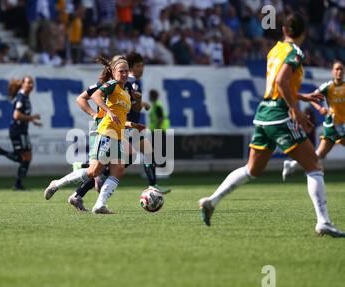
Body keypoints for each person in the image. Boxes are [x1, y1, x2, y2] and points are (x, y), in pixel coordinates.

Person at [198, 13, 345, 237]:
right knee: (314, 165)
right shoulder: (295, 52)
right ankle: (323, 221)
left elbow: (279, 84)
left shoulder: (274, 50)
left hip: (264, 112)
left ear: (284, 31)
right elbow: (280, 82)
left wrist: (301, 98)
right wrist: (295, 109)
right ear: (304, 33)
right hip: (280, 114)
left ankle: (211, 201)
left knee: (252, 169)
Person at [44, 57, 143, 214]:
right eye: (121, 71)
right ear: (114, 72)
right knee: (93, 171)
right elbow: (96, 96)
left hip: (117, 134)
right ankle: (57, 184)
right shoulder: (111, 85)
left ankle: (100, 205)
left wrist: (131, 124)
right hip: (105, 132)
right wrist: (105, 112)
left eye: (126, 71)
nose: (124, 74)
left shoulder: (125, 92)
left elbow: (120, 117)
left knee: (118, 170)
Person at [282, 60, 345, 180]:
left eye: (341, 69)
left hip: (341, 124)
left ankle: (292, 165)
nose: (339, 71)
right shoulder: (328, 87)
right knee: (318, 154)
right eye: (337, 69)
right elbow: (312, 98)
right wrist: (320, 108)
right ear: (332, 72)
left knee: (319, 154)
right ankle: (309, 169)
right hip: (333, 124)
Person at [125, 52, 171, 194]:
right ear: (131, 68)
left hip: (132, 126)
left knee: (147, 153)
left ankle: (153, 185)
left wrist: (142, 103)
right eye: (138, 66)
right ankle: (87, 169)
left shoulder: (130, 82)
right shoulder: (133, 83)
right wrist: (142, 104)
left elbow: (130, 103)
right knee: (117, 161)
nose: (141, 69)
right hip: (127, 125)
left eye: (143, 66)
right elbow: (132, 106)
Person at [0, 76, 41, 190]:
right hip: (18, 131)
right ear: (22, 84)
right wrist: (32, 117)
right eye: (28, 83)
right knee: (25, 158)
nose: (31, 85)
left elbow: (22, 115)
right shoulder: (21, 98)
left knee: (26, 158)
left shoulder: (25, 97)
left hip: (22, 130)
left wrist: (32, 121)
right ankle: (0, 151)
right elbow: (16, 115)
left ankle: (18, 184)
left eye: (32, 83)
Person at [148, 89, 170, 168]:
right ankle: (160, 167)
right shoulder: (156, 105)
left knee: (159, 150)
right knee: (158, 150)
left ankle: (161, 167)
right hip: (158, 130)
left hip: (159, 130)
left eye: (150, 96)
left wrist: (158, 128)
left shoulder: (157, 106)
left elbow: (160, 119)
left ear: (152, 96)